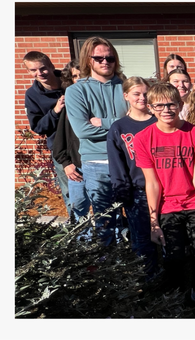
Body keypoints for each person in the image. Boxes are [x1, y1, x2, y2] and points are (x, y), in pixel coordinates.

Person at [134, 82, 195, 312]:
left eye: (171, 104)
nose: (166, 110)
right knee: (174, 257)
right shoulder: (143, 138)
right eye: (159, 106)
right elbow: (151, 183)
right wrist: (154, 223)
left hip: (194, 202)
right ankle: (177, 296)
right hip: (167, 206)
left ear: (181, 105)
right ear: (151, 108)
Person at [64, 37, 127, 244]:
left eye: (110, 57)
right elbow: (83, 130)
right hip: (97, 163)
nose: (105, 62)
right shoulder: (76, 91)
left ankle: (134, 260)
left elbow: (139, 124)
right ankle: (108, 260)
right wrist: (122, 127)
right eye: (99, 58)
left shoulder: (127, 87)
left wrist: (105, 122)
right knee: (105, 220)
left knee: (135, 215)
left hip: (128, 160)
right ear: (88, 60)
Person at [107, 76, 157, 272]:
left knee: (167, 236)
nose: (142, 98)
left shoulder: (159, 122)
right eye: (137, 94)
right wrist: (123, 195)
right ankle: (148, 278)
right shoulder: (118, 128)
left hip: (165, 189)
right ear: (126, 96)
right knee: (142, 239)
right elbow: (117, 165)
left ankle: (170, 279)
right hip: (138, 192)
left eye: (146, 94)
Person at [23, 49, 70, 212]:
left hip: (85, 141)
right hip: (61, 148)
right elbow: (38, 127)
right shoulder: (32, 95)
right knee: (69, 190)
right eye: (33, 70)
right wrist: (55, 111)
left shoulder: (70, 81)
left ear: (51, 66)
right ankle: (78, 226)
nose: (39, 73)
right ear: (29, 72)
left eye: (42, 68)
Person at [52, 60, 86, 221]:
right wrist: (66, 163)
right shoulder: (69, 104)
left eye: (83, 75)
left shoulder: (102, 102)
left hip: (101, 165)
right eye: (75, 76)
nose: (79, 79)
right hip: (77, 167)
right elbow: (61, 139)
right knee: (78, 211)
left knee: (108, 211)